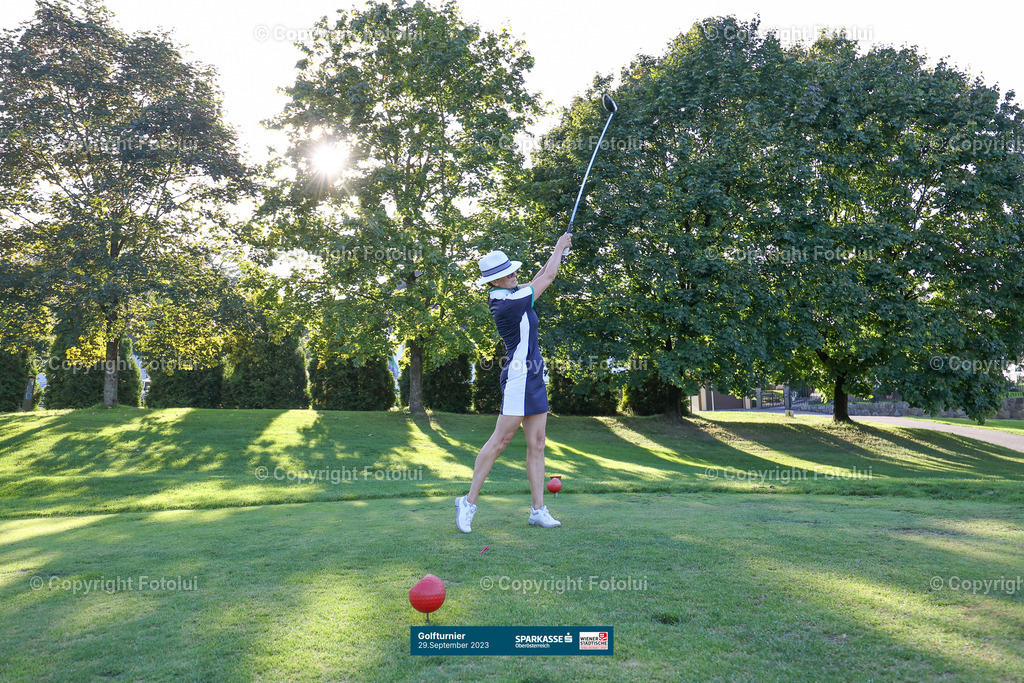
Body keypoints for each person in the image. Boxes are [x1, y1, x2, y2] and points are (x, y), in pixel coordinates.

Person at [455, 232, 573, 533]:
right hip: (519, 379)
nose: (514, 275)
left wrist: (557, 251)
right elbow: (548, 276)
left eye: (513, 270)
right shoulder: (507, 304)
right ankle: (468, 503)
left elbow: (537, 276)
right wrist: (559, 247)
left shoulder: (513, 294)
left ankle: (538, 510)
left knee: (537, 443)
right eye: (508, 274)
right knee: (500, 442)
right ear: (495, 281)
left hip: (534, 376)